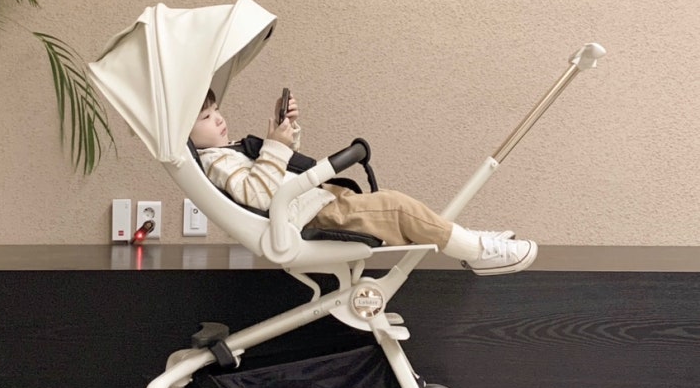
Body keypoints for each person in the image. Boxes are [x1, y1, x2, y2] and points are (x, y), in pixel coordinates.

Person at [190, 90, 538, 276]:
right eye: (205, 117)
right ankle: (476, 252)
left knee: (395, 207)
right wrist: (275, 146)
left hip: (318, 202)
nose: (218, 119)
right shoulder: (217, 161)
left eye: (216, 109)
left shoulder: (228, 150)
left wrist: (286, 133)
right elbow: (257, 194)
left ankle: (467, 239)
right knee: (397, 208)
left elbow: (276, 172)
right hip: (312, 216)